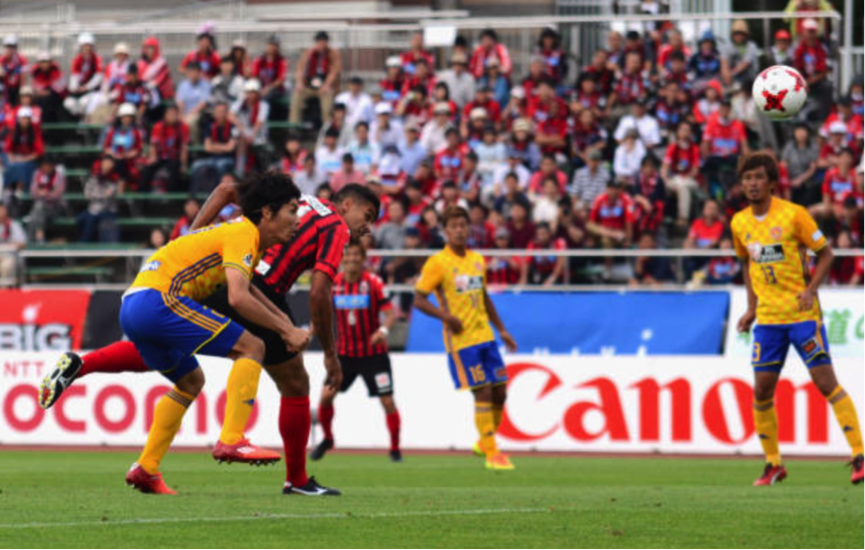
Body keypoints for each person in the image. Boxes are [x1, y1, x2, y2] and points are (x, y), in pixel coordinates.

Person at [731, 152, 864, 486]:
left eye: (758, 177)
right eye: (747, 178)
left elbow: (826, 254)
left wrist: (811, 289)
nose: (752, 184)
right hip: (768, 320)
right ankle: (773, 464)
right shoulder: (739, 223)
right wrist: (751, 307)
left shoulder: (794, 215)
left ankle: (860, 454)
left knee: (825, 382)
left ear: (772, 182)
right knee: (761, 390)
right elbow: (747, 264)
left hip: (803, 316)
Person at [414, 206, 518, 471]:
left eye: (463, 225)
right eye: (454, 226)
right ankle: (493, 452)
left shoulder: (477, 259)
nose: (459, 230)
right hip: (461, 341)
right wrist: (446, 317)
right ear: (446, 231)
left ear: (468, 228)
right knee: (482, 391)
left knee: (500, 391)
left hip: (486, 335)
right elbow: (418, 299)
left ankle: (484, 442)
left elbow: (483, 296)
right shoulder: (438, 263)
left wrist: (502, 329)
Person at [311, 242, 402, 462]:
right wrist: (309, 332)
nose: (351, 258)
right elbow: (321, 314)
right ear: (342, 258)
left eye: (356, 255)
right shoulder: (334, 284)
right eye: (348, 254)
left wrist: (382, 330)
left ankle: (394, 448)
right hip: (345, 355)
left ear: (363, 259)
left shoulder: (373, 283)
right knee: (325, 397)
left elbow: (390, 314)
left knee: (387, 401)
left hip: (374, 354)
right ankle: (328, 438)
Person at [291, 31, 342, 125]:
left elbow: (334, 71)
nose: (321, 44)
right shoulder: (308, 53)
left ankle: (327, 128)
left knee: (327, 106)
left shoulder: (333, 54)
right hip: (309, 86)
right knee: (296, 97)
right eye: (319, 41)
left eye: (324, 41)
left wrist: (327, 85)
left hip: (325, 87)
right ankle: (293, 126)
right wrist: (300, 83)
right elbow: (300, 69)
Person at [141, 103, 189, 193]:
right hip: (160, 157)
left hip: (175, 158)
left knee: (176, 169)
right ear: (165, 115)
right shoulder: (158, 126)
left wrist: (183, 164)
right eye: (170, 114)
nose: (172, 116)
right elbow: (153, 144)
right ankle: (142, 197)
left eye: (174, 114)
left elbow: (184, 148)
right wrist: (152, 158)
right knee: (148, 169)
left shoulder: (183, 127)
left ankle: (171, 196)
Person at [64, 33, 104, 119]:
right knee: (68, 103)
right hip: (81, 90)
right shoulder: (77, 60)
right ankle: (81, 118)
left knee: (86, 102)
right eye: (85, 46)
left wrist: (86, 87)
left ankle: (85, 119)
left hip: (93, 91)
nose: (87, 48)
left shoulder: (97, 59)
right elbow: (74, 77)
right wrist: (75, 88)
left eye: (89, 46)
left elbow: (98, 77)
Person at [28, 156, 66, 242]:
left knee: (35, 213)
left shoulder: (58, 176)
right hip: (40, 209)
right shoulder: (37, 175)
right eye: (44, 165)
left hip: (55, 209)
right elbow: (32, 193)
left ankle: (30, 241)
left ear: (53, 166)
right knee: (37, 210)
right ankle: (39, 238)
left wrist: (44, 193)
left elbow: (57, 195)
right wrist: (44, 193)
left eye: (48, 165)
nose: (46, 167)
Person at [0, 203, 26, 285]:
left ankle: (4, 292)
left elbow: (22, 244)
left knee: (7, 265)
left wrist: (10, 246)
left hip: (10, 256)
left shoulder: (14, 225)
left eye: (2, 210)